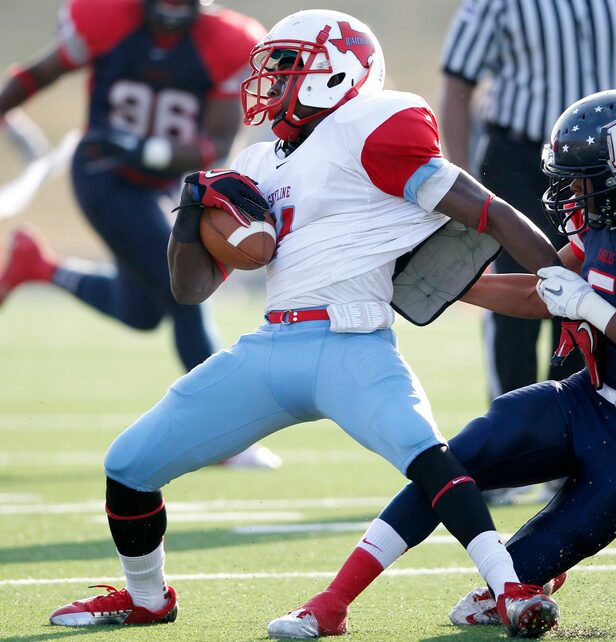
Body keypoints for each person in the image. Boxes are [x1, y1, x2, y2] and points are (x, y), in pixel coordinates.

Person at [46, 10, 562, 639]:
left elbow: (493, 213)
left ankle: (508, 588)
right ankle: (148, 597)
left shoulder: (367, 124)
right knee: (129, 463)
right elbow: (191, 288)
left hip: (354, 341)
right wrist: (189, 216)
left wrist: (565, 281)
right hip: (272, 346)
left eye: (290, 65)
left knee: (428, 458)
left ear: (338, 70)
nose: (274, 79)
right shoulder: (260, 161)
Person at [278, 89, 616, 636]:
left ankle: (535, 575)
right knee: (452, 461)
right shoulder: (610, 219)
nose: (570, 193)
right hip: (586, 399)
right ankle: (331, 602)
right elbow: (543, 292)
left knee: (487, 603)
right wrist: (452, 288)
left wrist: (590, 306)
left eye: (583, 179)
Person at [0, 0, 277, 468]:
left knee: (143, 312)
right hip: (103, 178)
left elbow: (217, 145)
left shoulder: (227, 40)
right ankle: (221, 438)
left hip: (162, 184)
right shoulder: (105, 18)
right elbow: (41, 73)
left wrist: (142, 148)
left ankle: (40, 267)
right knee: (185, 297)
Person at [440, 0, 616, 505]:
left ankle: (567, 448)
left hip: (615, 171)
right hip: (518, 159)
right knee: (516, 310)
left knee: (597, 297)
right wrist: (456, 179)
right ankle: (508, 448)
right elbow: (457, 83)